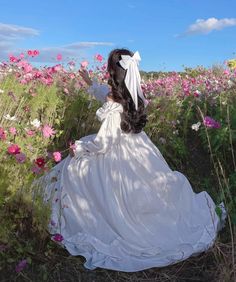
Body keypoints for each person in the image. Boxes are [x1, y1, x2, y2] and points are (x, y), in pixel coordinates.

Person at [41, 48, 226, 272]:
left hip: (112, 150)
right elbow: (105, 96)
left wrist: (78, 148)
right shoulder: (133, 96)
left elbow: (103, 144)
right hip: (138, 150)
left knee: (76, 169)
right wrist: (88, 80)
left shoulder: (114, 103)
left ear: (112, 73)